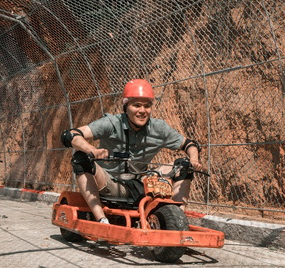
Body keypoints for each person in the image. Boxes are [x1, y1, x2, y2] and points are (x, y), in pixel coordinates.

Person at [62, 79, 204, 223]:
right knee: (80, 158)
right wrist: (92, 150)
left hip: (140, 183)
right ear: (126, 106)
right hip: (108, 183)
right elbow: (71, 135)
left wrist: (193, 160)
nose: (142, 111)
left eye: (147, 106)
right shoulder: (111, 123)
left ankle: (177, 219)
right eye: (136, 105)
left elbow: (190, 144)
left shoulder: (159, 128)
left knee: (184, 166)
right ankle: (101, 219)